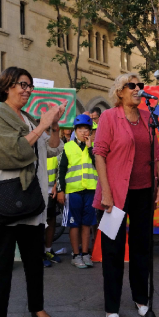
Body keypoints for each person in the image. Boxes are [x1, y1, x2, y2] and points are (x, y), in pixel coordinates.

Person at [0, 67, 64, 317]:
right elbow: (14, 151)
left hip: (30, 198)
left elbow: (50, 149)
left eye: (29, 85)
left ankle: (37, 308)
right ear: (6, 86)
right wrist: (41, 125)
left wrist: (54, 127)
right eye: (21, 84)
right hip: (6, 198)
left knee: (34, 259)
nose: (26, 89)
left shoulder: (25, 117)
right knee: (1, 260)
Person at [93, 73, 159, 317]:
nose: (137, 89)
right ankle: (111, 306)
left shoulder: (149, 117)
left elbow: (157, 154)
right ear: (120, 92)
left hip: (144, 192)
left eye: (140, 86)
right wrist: (106, 192)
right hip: (114, 195)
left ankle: (141, 299)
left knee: (141, 248)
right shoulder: (108, 117)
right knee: (112, 251)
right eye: (131, 86)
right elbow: (100, 154)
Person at [56, 114, 97, 269]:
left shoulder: (94, 147)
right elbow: (61, 171)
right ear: (75, 131)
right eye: (80, 129)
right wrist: (60, 191)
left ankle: (85, 253)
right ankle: (75, 255)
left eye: (87, 129)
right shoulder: (67, 147)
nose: (83, 132)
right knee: (74, 224)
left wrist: (90, 147)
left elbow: (98, 165)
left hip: (90, 190)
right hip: (73, 191)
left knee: (87, 224)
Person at [43, 143, 62, 268]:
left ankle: (48, 250)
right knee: (38, 222)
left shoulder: (58, 143)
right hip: (37, 188)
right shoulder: (34, 138)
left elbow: (61, 166)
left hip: (51, 189)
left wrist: (56, 185)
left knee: (51, 220)